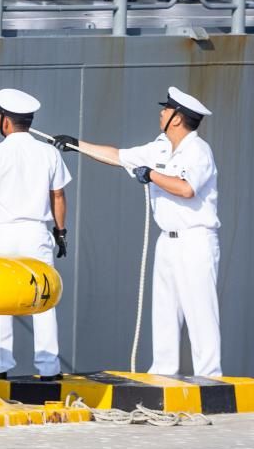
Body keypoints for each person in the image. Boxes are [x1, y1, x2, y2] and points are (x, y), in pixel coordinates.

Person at [53, 87, 221, 377]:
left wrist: (152, 175)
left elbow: (186, 188)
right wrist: (77, 145)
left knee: (200, 313)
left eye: (167, 109)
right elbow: (118, 156)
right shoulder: (158, 147)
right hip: (167, 241)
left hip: (195, 240)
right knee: (164, 312)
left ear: (178, 119)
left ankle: (210, 377)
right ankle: (163, 373)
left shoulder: (198, 151)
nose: (162, 112)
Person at [0, 88, 71, 379]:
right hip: (37, 233)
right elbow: (58, 196)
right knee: (44, 299)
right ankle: (49, 370)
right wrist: (61, 233)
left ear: (5, 121)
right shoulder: (48, 152)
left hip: (5, 234)